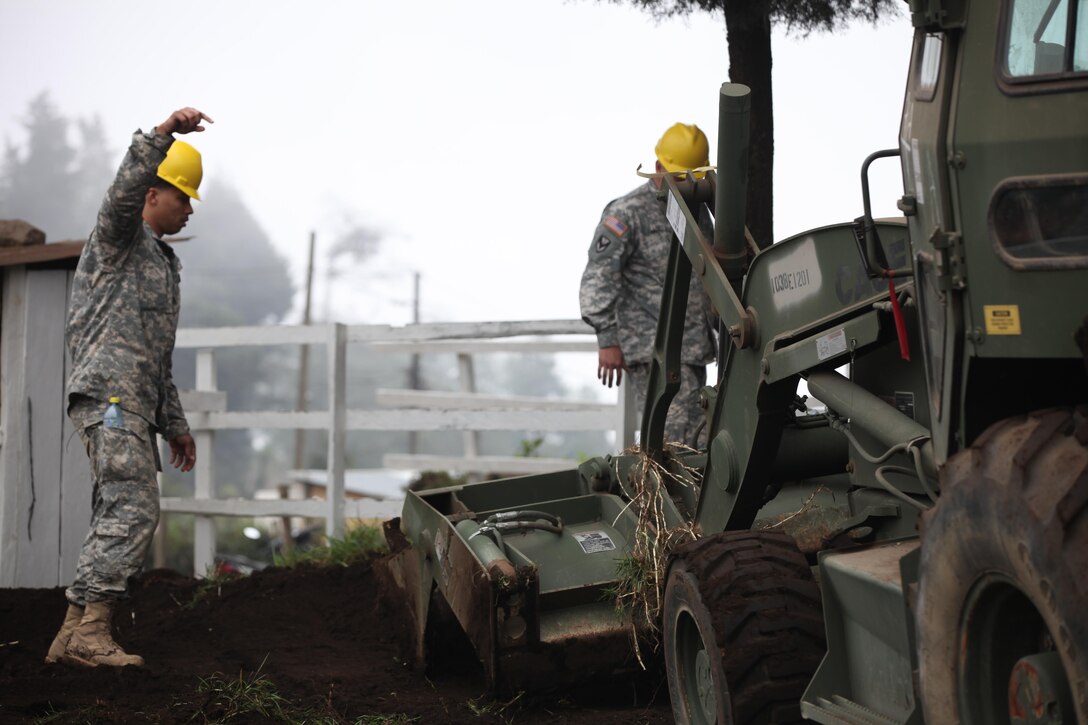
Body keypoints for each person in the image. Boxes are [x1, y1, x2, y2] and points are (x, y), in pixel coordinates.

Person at [46, 107, 212, 668]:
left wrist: (177, 426)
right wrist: (163, 136)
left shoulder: (163, 266)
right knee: (135, 506)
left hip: (134, 405)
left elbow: (156, 358)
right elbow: (120, 193)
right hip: (108, 398)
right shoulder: (117, 239)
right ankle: (93, 633)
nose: (189, 208)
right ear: (152, 193)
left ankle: (71, 636)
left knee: (114, 507)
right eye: (183, 195)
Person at [579, 123, 716, 446]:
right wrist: (607, 339)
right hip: (654, 348)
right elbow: (599, 277)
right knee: (678, 444)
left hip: (693, 347)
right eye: (680, 178)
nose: (687, 186)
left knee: (692, 440)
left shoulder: (696, 211)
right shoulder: (627, 213)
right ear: (658, 169)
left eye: (694, 179)